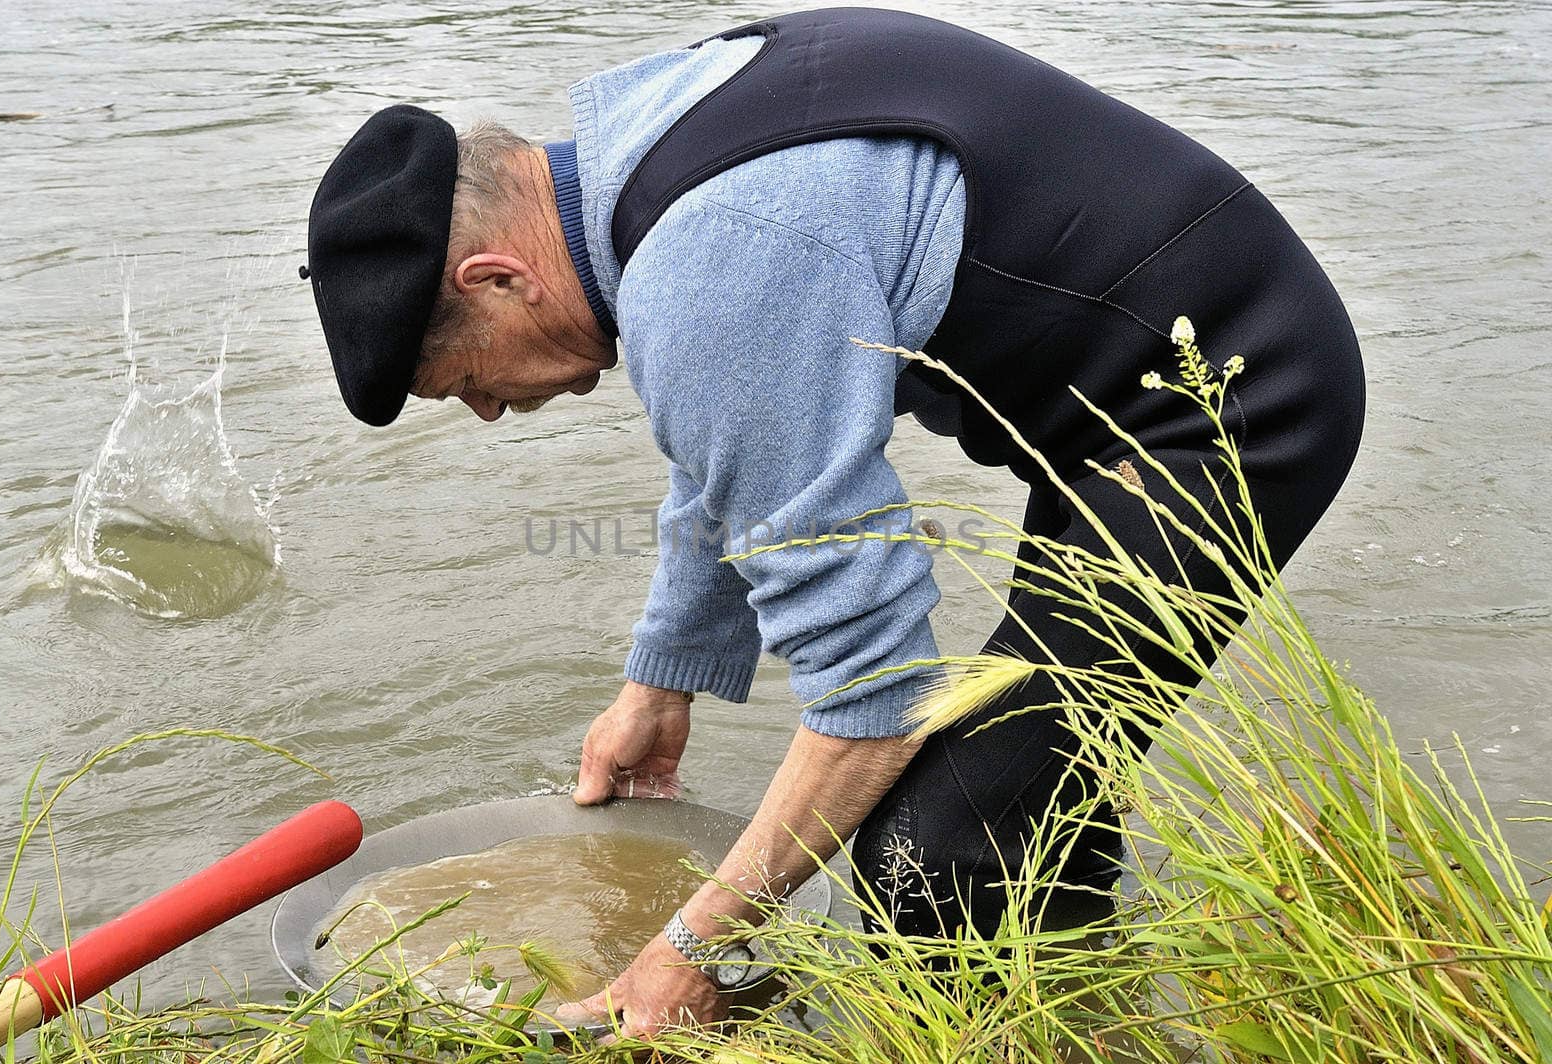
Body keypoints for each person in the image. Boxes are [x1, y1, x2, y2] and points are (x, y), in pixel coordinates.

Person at [302, 7, 1365, 1037]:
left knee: (932, 840)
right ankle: (1090, 1023)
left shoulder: (707, 260)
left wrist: (692, 947)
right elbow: (732, 445)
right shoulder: (649, 147)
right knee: (1025, 783)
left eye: (463, 382)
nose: (491, 408)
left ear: (495, 279)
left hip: (1230, 396)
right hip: (1128, 392)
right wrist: (658, 682)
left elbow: (876, 699)